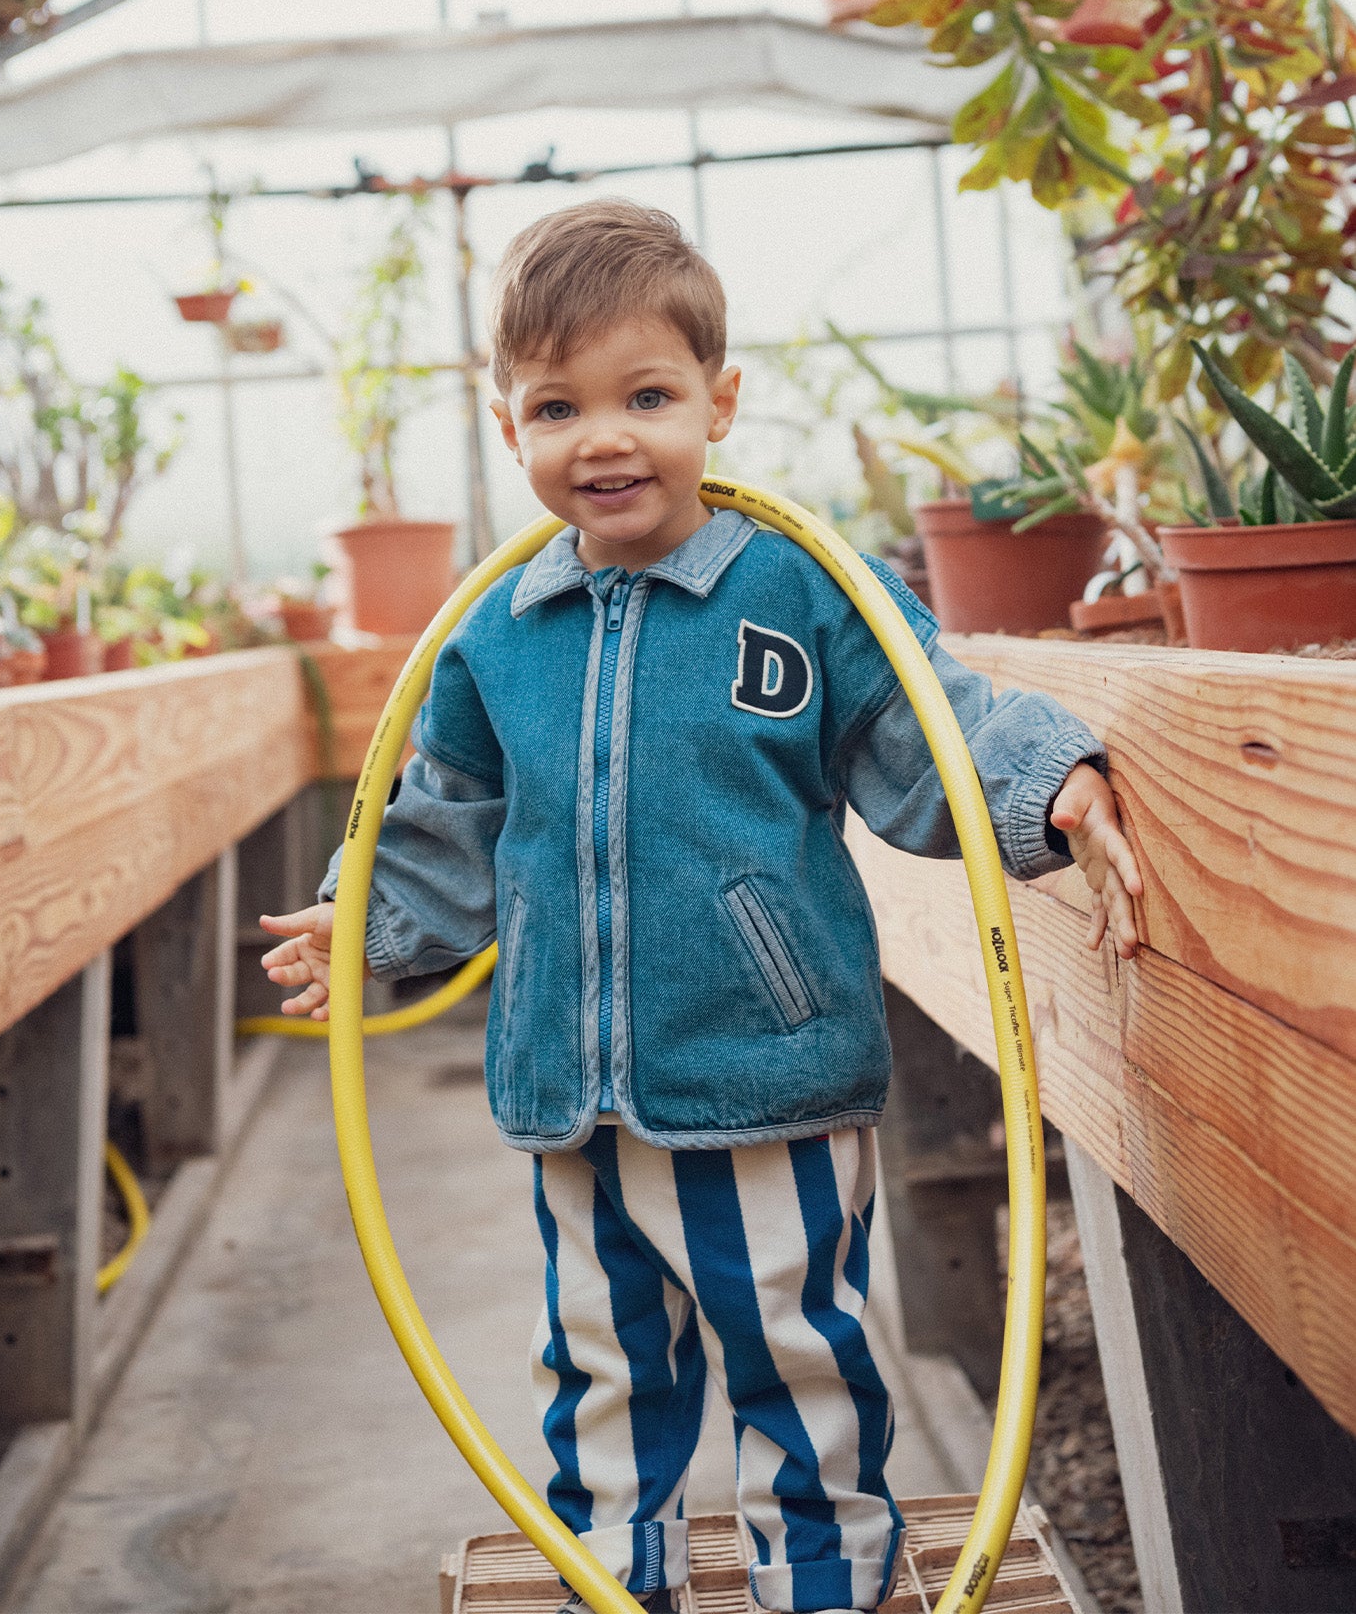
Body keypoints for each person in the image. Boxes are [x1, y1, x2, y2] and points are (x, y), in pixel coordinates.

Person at [259, 201, 1142, 1614]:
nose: (603, 438)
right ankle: (618, 1584)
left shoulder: (797, 587)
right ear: (509, 426)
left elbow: (929, 729)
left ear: (719, 404)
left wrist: (1052, 785)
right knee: (603, 1366)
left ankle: (826, 1591)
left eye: (647, 396)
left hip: (762, 1077)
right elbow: (444, 823)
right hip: (570, 1090)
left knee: (796, 1359)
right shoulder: (498, 632)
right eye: (559, 406)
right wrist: (359, 926)